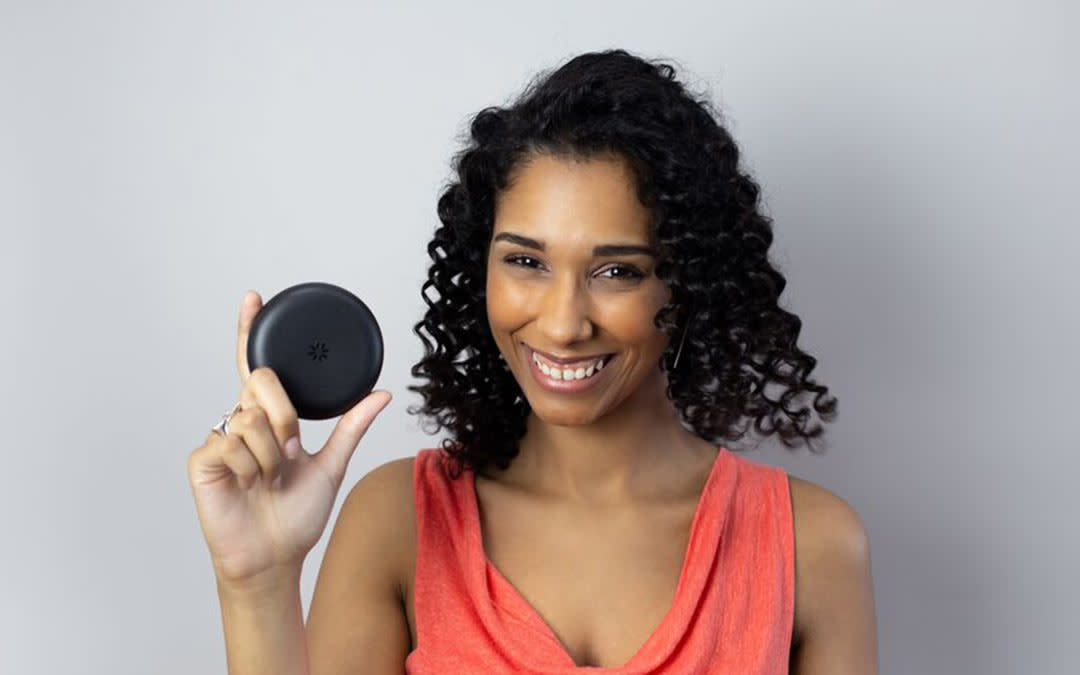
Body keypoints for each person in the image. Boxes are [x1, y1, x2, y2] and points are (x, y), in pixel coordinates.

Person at [187, 48, 878, 674]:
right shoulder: (397, 520)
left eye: (617, 272)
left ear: (688, 280)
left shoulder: (811, 544)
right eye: (525, 261)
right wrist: (257, 582)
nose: (563, 322)